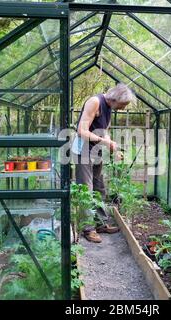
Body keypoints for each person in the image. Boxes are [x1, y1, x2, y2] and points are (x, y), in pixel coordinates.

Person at [72, 83, 136, 243]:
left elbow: (103, 130)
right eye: (123, 105)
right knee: (86, 190)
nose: (123, 108)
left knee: (99, 187)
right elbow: (82, 131)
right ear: (116, 99)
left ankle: (100, 223)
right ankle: (88, 229)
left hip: (96, 150)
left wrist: (112, 147)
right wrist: (104, 142)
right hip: (83, 151)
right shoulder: (95, 102)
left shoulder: (109, 107)